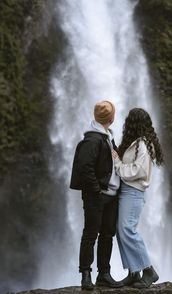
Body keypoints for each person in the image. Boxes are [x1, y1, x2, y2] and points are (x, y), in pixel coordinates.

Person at [70, 100, 122, 290]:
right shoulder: (93, 139)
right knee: (91, 234)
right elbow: (85, 168)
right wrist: (97, 190)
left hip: (111, 195)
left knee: (107, 234)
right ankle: (86, 275)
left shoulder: (107, 136)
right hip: (98, 195)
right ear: (111, 118)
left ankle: (104, 274)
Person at [112, 108, 164, 289]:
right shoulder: (136, 143)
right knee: (121, 230)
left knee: (127, 229)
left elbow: (138, 171)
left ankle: (149, 270)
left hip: (133, 192)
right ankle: (134, 272)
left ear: (132, 122)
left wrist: (118, 164)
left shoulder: (142, 144)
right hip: (126, 191)